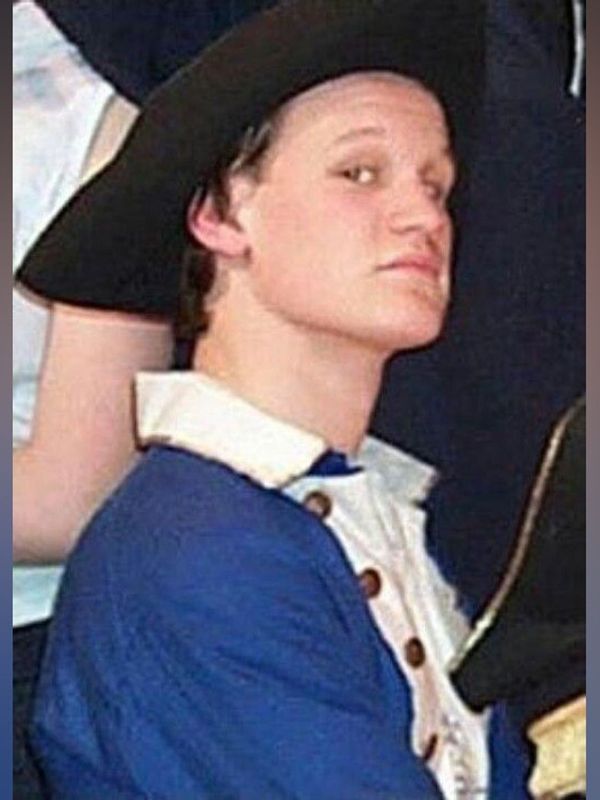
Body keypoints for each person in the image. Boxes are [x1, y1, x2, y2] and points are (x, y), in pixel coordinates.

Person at [23, 1, 530, 797]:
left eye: (436, 184)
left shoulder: (345, 519)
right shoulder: (199, 560)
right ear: (219, 214)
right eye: (360, 172)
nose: (424, 216)